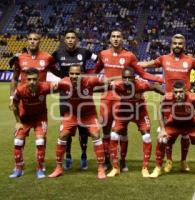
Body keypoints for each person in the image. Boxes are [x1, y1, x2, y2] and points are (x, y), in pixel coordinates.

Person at [92, 29, 163, 171]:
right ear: (109, 39)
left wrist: (160, 79)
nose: (116, 39)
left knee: (121, 131)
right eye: (113, 36)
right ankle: (107, 161)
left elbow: (142, 73)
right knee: (105, 131)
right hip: (106, 98)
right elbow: (95, 71)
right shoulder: (103, 54)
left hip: (122, 99)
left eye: (118, 36)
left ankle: (122, 161)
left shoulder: (129, 56)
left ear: (123, 39)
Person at [139, 34, 195, 173]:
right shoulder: (164, 59)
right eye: (175, 43)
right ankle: (169, 160)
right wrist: (134, 64)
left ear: (184, 45)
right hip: (168, 102)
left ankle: (183, 160)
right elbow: (148, 64)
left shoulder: (191, 61)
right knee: (166, 134)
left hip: (185, 103)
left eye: (180, 43)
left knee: (185, 135)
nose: (177, 45)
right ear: (171, 45)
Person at [48, 65, 117, 179]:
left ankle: (100, 167)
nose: (74, 76)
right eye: (72, 74)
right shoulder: (64, 82)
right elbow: (50, 86)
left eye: (77, 74)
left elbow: (105, 80)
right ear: (69, 74)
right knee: (62, 135)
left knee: (95, 135)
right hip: (72, 114)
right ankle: (58, 168)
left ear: (82, 74)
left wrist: (113, 81)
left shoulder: (90, 80)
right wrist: (53, 85)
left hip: (88, 114)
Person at [52, 30, 98, 170]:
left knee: (83, 129)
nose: (70, 40)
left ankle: (84, 156)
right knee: (67, 129)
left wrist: (90, 74)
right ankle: (68, 156)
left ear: (77, 39)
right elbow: (48, 65)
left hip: (82, 95)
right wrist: (60, 75)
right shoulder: (57, 53)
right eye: (68, 38)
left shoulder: (85, 52)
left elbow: (99, 60)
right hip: (65, 96)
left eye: (73, 38)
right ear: (64, 40)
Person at [107, 67, 164, 177]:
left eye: (130, 77)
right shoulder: (117, 84)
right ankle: (116, 167)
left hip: (140, 112)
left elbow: (154, 86)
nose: (127, 80)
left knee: (146, 136)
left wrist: (165, 94)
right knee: (113, 135)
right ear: (122, 78)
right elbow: (104, 86)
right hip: (124, 111)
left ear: (134, 77)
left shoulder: (141, 84)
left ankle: (145, 168)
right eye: (125, 77)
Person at [149, 80, 195, 180]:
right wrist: (162, 129)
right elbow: (160, 111)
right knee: (161, 139)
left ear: (186, 91)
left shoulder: (194, 98)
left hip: (190, 124)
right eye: (176, 92)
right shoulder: (167, 97)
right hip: (174, 123)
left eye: (181, 92)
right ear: (173, 92)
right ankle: (157, 168)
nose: (178, 95)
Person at [9, 68, 52, 179]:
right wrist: (18, 122)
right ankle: (19, 168)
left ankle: (40, 168)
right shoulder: (20, 89)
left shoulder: (45, 86)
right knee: (18, 141)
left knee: (40, 141)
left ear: (39, 79)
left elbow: (61, 86)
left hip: (40, 118)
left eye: (34, 79)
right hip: (25, 118)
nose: (32, 82)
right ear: (25, 80)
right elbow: (13, 105)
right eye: (29, 79)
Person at [9, 32, 56, 111]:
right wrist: (11, 97)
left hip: (40, 99)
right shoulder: (20, 58)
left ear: (39, 41)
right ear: (27, 41)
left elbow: (57, 72)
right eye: (30, 39)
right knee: (22, 122)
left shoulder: (48, 57)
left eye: (35, 39)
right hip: (23, 98)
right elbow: (14, 79)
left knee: (40, 120)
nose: (32, 41)